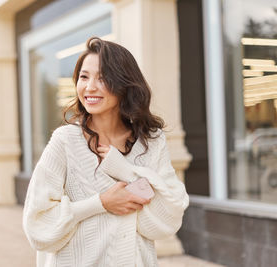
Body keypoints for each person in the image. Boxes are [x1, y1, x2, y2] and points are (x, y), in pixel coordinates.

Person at [23, 37, 189, 267]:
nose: (90, 87)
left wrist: (123, 170)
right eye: (84, 77)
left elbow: (168, 218)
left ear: (124, 83)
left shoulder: (151, 142)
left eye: (102, 78)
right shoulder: (65, 141)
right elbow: (38, 225)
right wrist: (100, 203)